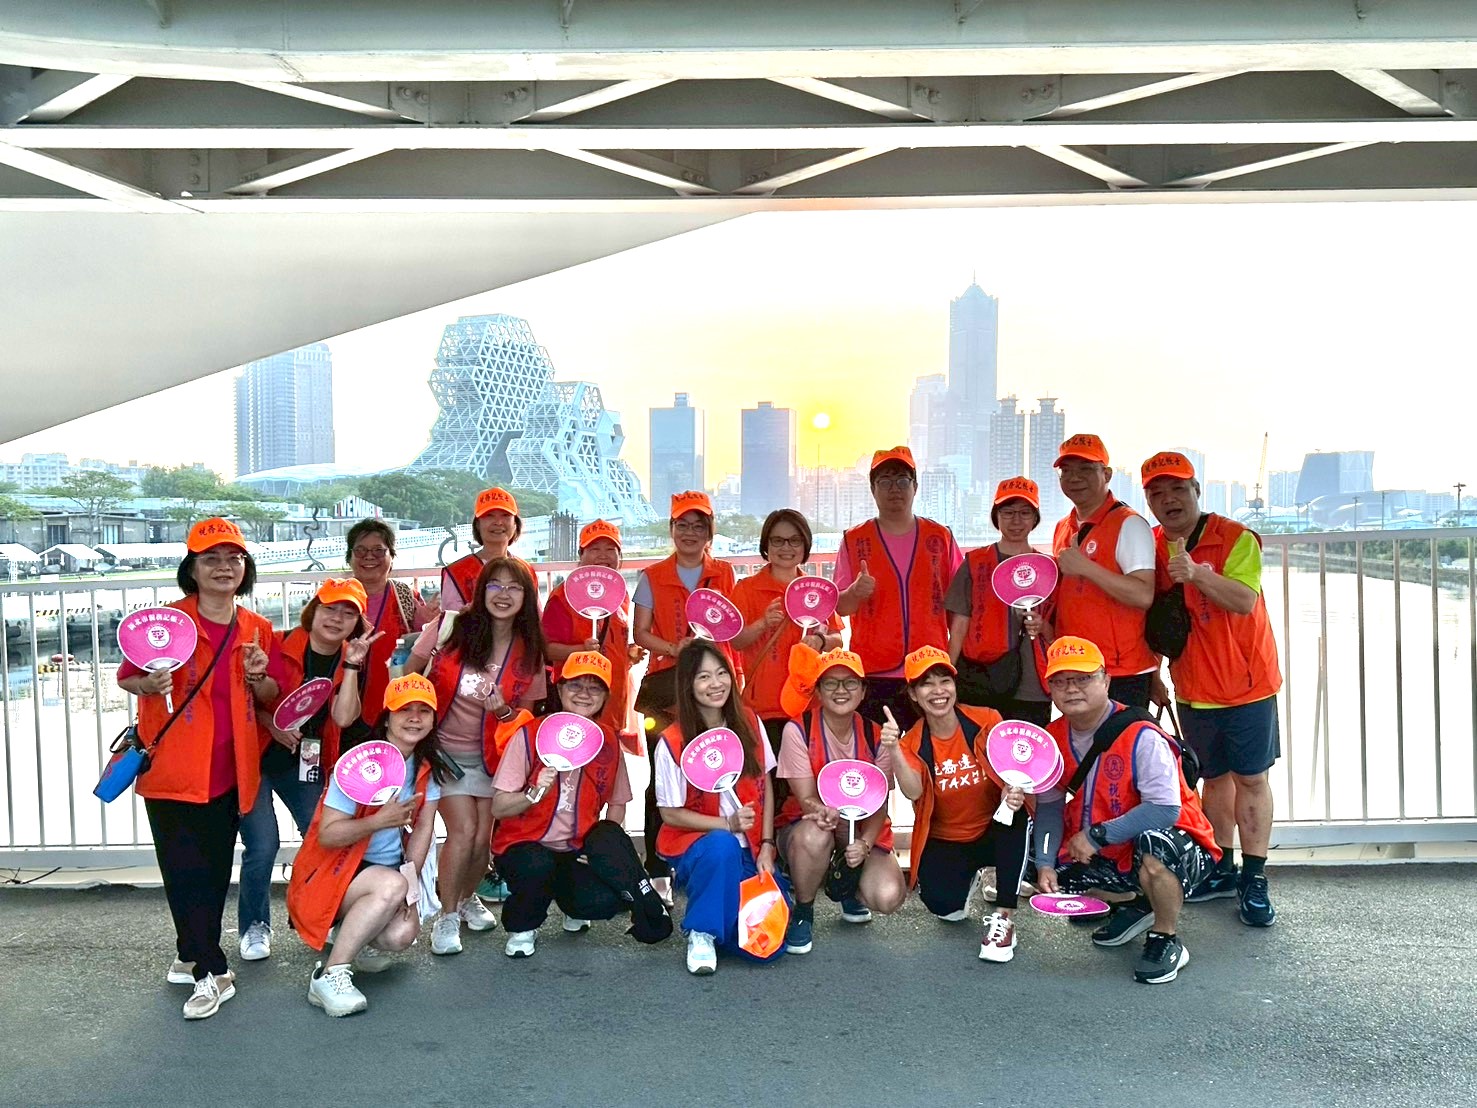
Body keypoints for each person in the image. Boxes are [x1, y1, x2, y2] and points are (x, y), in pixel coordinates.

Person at [114, 517, 276, 1020]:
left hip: (230, 769)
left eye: (234, 558)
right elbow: (127, 678)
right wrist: (149, 684)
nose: (224, 567)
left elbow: (270, 696)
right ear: (192, 568)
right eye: (211, 559)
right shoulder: (165, 621)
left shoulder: (257, 628)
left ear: (245, 568)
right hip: (173, 767)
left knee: (211, 873)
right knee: (182, 873)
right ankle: (213, 970)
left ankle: (190, 953)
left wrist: (260, 677)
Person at [1142, 451, 1283, 926]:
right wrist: (1155, 672)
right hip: (1192, 686)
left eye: (1178, 489)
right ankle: (1222, 866)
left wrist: (1197, 572)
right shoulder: (1153, 546)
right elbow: (1156, 617)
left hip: (1248, 685)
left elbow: (1243, 600)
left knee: (1252, 779)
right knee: (1213, 780)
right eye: (1157, 493)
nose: (1169, 500)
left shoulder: (1235, 537)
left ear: (1196, 491)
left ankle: (1255, 877)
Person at [1031, 636, 1221, 985]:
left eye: (1083, 678)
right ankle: (1135, 902)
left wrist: (1096, 835)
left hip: (1177, 845)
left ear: (1106, 680)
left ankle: (1165, 936)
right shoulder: (1051, 738)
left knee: (1155, 844)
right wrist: (1044, 864)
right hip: (1108, 847)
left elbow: (1164, 810)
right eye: (1060, 681)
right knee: (1029, 847)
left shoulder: (1141, 734)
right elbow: (1049, 807)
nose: (1071, 689)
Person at [490, 652, 672, 957]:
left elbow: (617, 804)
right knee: (536, 865)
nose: (584, 694)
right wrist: (533, 793)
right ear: (560, 689)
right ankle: (523, 927)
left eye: (594, 688)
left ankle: (573, 905)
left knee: (603, 900)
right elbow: (498, 807)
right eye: (575, 685)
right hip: (525, 845)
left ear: (605, 697)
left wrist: (603, 852)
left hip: (575, 848)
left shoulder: (608, 741)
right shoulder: (531, 733)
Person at [286, 674, 448, 1017]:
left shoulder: (427, 766)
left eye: (423, 711)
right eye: (404, 710)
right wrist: (378, 821)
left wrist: (412, 884)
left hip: (383, 874)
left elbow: (424, 828)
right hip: (330, 874)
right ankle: (330, 976)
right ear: (386, 717)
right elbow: (328, 835)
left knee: (402, 934)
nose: (414, 718)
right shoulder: (358, 762)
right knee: (391, 886)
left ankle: (355, 934)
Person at [237, 577, 374, 962]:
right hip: (256, 756)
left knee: (326, 837)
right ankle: (254, 925)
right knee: (263, 845)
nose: (337, 618)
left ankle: (328, 917)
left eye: (348, 613)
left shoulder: (352, 656)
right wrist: (271, 724)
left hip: (306, 761)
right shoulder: (277, 644)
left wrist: (352, 665)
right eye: (330, 608)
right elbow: (243, 701)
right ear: (314, 610)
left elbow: (344, 718)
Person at [422, 556, 548, 955]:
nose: (503, 594)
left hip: (494, 759)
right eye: (495, 585)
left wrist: (503, 711)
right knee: (463, 832)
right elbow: (410, 675)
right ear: (482, 591)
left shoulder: (530, 650)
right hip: (445, 752)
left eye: (514, 587)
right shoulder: (452, 628)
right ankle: (446, 917)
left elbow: (525, 720)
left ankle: (463, 898)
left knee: (482, 840)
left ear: (526, 597)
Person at [654, 641, 787, 975]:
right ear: (688, 684)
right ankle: (701, 932)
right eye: (703, 677)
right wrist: (726, 824)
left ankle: (720, 920)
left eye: (721, 673)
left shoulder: (750, 722)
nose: (716, 684)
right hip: (700, 846)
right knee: (721, 846)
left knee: (764, 949)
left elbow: (766, 786)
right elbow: (670, 813)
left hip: (750, 847)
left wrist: (767, 846)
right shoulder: (672, 740)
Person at [888, 646, 1027, 963]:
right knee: (945, 909)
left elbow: (1012, 768)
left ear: (955, 684)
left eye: (944, 681)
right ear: (913, 694)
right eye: (926, 684)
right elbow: (912, 792)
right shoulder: (911, 742)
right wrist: (893, 749)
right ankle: (969, 876)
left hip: (993, 828)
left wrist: (1010, 791)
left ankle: (1004, 918)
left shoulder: (987, 719)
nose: (938, 691)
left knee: (1017, 814)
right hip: (947, 838)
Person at [632, 490, 737, 903]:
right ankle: (658, 867)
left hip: (713, 688)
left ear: (710, 531)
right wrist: (674, 648)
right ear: (671, 529)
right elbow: (640, 633)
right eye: (682, 525)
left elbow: (734, 628)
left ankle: (709, 858)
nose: (690, 532)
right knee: (663, 777)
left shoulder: (725, 574)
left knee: (716, 771)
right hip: (666, 689)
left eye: (698, 525)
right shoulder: (652, 576)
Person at [774, 648, 905, 955]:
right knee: (815, 834)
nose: (841, 690)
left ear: (863, 690)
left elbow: (879, 803)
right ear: (818, 691)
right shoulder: (798, 729)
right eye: (831, 683)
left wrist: (866, 844)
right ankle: (803, 910)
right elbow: (805, 798)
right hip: (812, 823)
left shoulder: (876, 735)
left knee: (888, 896)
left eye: (850, 683)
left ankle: (847, 886)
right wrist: (822, 812)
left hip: (860, 828)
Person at [835, 447, 962, 732]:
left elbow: (960, 605)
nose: (895, 488)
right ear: (873, 489)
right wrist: (855, 592)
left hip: (929, 669)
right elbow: (841, 607)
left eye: (902, 480)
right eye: (885, 481)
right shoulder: (855, 540)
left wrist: (952, 661)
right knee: (875, 751)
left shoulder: (940, 537)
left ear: (915, 487)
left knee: (928, 751)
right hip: (873, 672)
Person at [1050, 434, 1158, 707]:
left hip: (1120, 670)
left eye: (1086, 469)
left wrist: (1086, 568)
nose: (1075, 478)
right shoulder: (1063, 526)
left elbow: (1143, 594)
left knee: (1122, 735)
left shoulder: (1129, 524)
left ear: (1107, 474)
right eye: (1066, 471)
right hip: (1073, 665)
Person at [731, 508, 842, 760]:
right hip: (762, 708)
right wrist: (763, 624)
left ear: (805, 545)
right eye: (778, 540)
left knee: (806, 779)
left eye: (794, 540)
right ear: (766, 545)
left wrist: (820, 640)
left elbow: (837, 641)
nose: (786, 547)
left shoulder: (817, 591)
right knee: (768, 780)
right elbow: (736, 642)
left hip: (808, 703)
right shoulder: (746, 589)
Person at [946, 477, 1053, 725]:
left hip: (1033, 683)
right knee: (978, 743)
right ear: (996, 516)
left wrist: (1042, 626)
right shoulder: (975, 563)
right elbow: (959, 625)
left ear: (1035, 519)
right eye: (1008, 512)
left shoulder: (1049, 568)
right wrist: (948, 672)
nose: (1016, 520)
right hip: (980, 678)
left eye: (1025, 513)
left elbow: (1059, 630)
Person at [541, 519, 645, 747]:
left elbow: (612, 642)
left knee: (608, 758)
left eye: (610, 549)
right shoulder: (562, 597)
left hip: (614, 701)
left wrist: (628, 654)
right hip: (579, 701)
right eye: (594, 549)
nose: (603, 556)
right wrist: (581, 650)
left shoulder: (621, 595)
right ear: (581, 555)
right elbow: (547, 650)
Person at [344, 518, 437, 726]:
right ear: (350, 557)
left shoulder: (405, 596)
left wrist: (431, 623)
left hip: (395, 707)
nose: (369, 557)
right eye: (360, 550)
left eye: (378, 551)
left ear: (391, 557)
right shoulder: (336, 598)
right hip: (341, 703)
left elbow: (424, 647)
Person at [438, 486, 534, 615]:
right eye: (489, 516)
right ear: (477, 524)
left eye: (506, 515)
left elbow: (536, 617)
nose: (498, 522)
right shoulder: (456, 573)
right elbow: (451, 622)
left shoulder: (526, 570)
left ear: (515, 524)